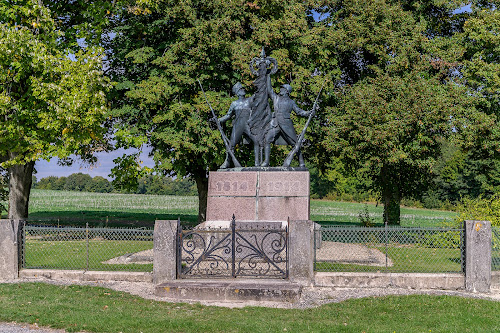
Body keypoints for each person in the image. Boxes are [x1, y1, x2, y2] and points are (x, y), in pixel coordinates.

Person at [262, 76, 311, 167]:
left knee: (294, 143)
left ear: (287, 91)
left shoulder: (291, 102)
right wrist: (268, 76)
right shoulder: (276, 98)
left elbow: (299, 111)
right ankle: (266, 161)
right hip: (276, 123)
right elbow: (269, 89)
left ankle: (301, 161)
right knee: (267, 139)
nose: (280, 89)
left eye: (283, 88)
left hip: (286, 124)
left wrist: (308, 113)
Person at [217, 82, 259, 168]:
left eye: (243, 88)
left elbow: (257, 95)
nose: (243, 90)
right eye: (240, 89)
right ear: (237, 92)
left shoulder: (249, 100)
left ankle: (257, 163)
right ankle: (227, 162)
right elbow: (228, 115)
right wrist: (219, 120)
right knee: (231, 145)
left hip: (248, 125)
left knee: (256, 141)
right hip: (238, 126)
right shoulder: (234, 104)